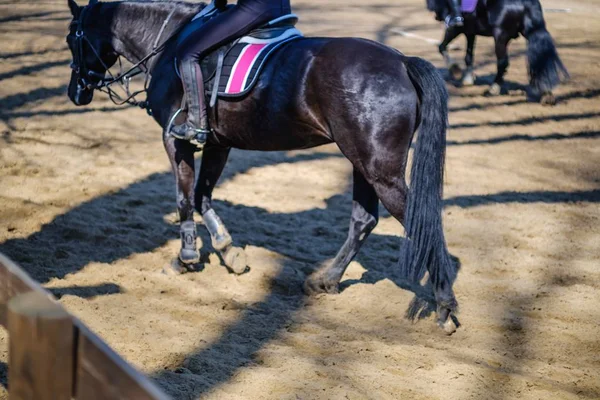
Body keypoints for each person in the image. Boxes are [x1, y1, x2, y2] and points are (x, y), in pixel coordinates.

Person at [170, 0, 292, 144]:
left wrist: (219, 4)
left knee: (188, 54)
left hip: (255, 9)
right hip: (283, 10)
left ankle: (196, 124)